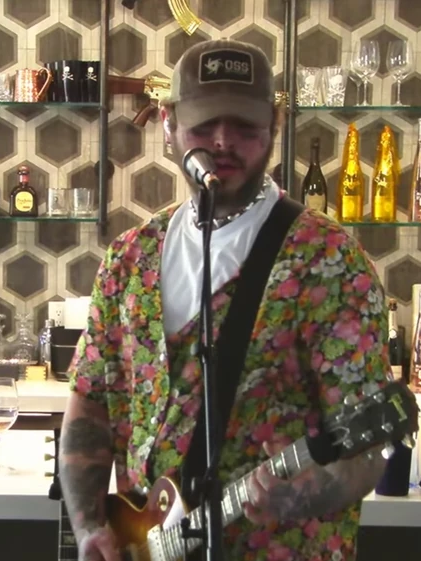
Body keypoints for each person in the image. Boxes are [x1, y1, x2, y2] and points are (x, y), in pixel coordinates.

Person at [59, 39, 394, 561]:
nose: (222, 142)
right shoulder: (130, 258)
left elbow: (369, 444)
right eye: (203, 126)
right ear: (169, 124)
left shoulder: (329, 261)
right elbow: (90, 406)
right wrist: (88, 528)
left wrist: (303, 494)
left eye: (244, 126)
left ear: (274, 126)